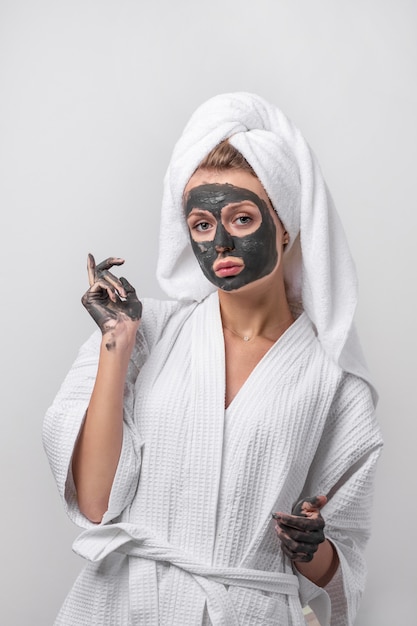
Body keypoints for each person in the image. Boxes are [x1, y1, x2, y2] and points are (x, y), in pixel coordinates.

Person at [43, 92, 383, 626]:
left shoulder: (333, 381)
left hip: (250, 610)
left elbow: (344, 561)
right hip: (121, 606)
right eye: (201, 225)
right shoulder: (143, 331)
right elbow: (94, 503)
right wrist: (117, 344)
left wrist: (310, 548)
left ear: (286, 223)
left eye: (242, 218)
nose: (219, 243)